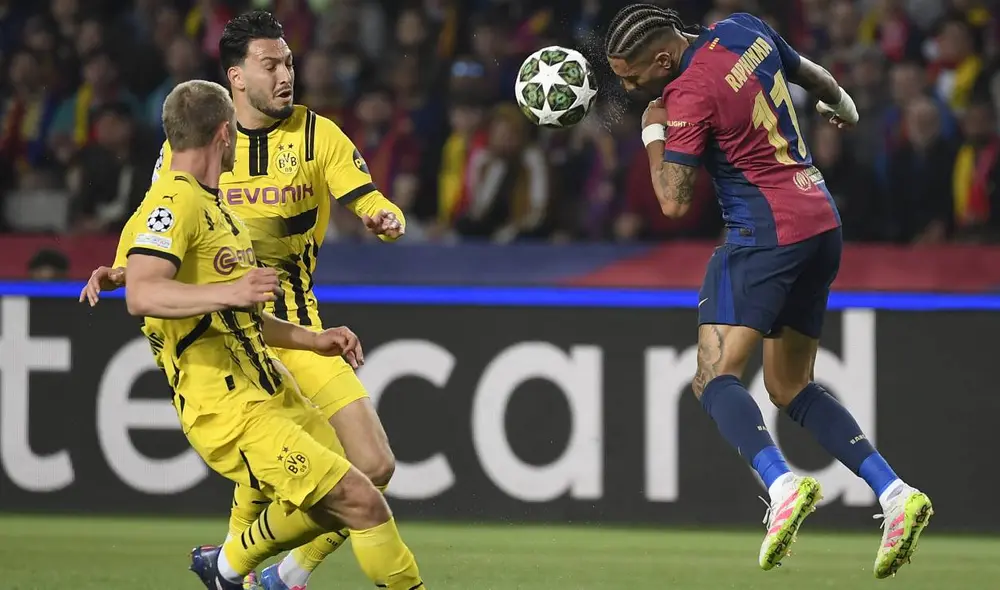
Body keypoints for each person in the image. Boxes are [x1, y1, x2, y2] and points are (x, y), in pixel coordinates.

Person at [79, 10, 408, 590]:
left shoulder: (317, 134)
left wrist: (385, 215)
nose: (286, 75)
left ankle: (265, 572)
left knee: (372, 468)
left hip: (293, 328)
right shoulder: (189, 152)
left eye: (289, 62)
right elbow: (160, 226)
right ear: (236, 78)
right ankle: (247, 575)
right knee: (279, 468)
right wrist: (127, 268)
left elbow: (368, 195)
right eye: (271, 64)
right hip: (232, 340)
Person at [604, 4, 932, 578]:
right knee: (788, 385)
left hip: (765, 233)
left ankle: (782, 485)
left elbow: (674, 202)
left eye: (632, 77)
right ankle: (895, 493)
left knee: (712, 376)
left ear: (662, 58)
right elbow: (814, 76)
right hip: (820, 219)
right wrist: (841, 103)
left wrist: (652, 132)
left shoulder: (685, 97)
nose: (630, 88)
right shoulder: (742, 28)